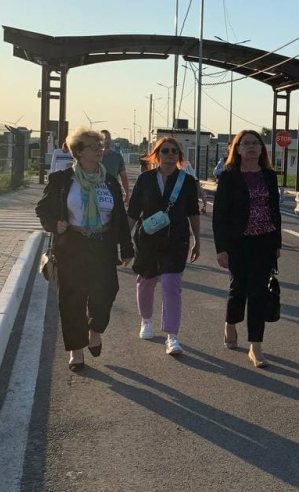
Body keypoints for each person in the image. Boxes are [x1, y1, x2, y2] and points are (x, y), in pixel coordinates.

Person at [35, 127, 133, 371]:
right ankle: (76, 351)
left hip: (102, 244)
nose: (100, 150)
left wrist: (127, 246)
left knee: (107, 291)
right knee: (72, 299)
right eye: (93, 147)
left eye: (101, 146)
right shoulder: (62, 180)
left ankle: (95, 330)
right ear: (78, 152)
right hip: (72, 244)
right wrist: (54, 224)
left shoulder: (109, 181)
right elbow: (42, 209)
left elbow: (120, 217)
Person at [212, 130, 282, 368]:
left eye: (255, 143)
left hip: (264, 241)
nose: (251, 147)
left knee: (258, 293)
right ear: (238, 149)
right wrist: (221, 248)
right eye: (246, 144)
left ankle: (255, 347)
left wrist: (277, 243)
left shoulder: (269, 175)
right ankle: (230, 323)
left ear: (262, 149)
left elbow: (275, 211)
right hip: (237, 243)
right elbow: (219, 215)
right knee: (238, 289)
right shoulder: (229, 177)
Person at [126, 137, 201, 356]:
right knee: (146, 282)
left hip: (176, 240)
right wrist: (123, 239)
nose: (169, 154)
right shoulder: (145, 179)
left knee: (171, 284)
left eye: (174, 151)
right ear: (157, 154)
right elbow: (133, 211)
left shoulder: (187, 181)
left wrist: (197, 240)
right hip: (148, 239)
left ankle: (172, 335)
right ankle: (146, 320)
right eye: (165, 150)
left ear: (179, 156)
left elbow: (193, 212)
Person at [100, 129, 131, 206]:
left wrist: (127, 194)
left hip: (113, 192)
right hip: (98, 192)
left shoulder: (117, 157)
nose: (107, 141)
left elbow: (123, 176)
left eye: (109, 138)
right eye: (104, 138)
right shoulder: (93, 157)